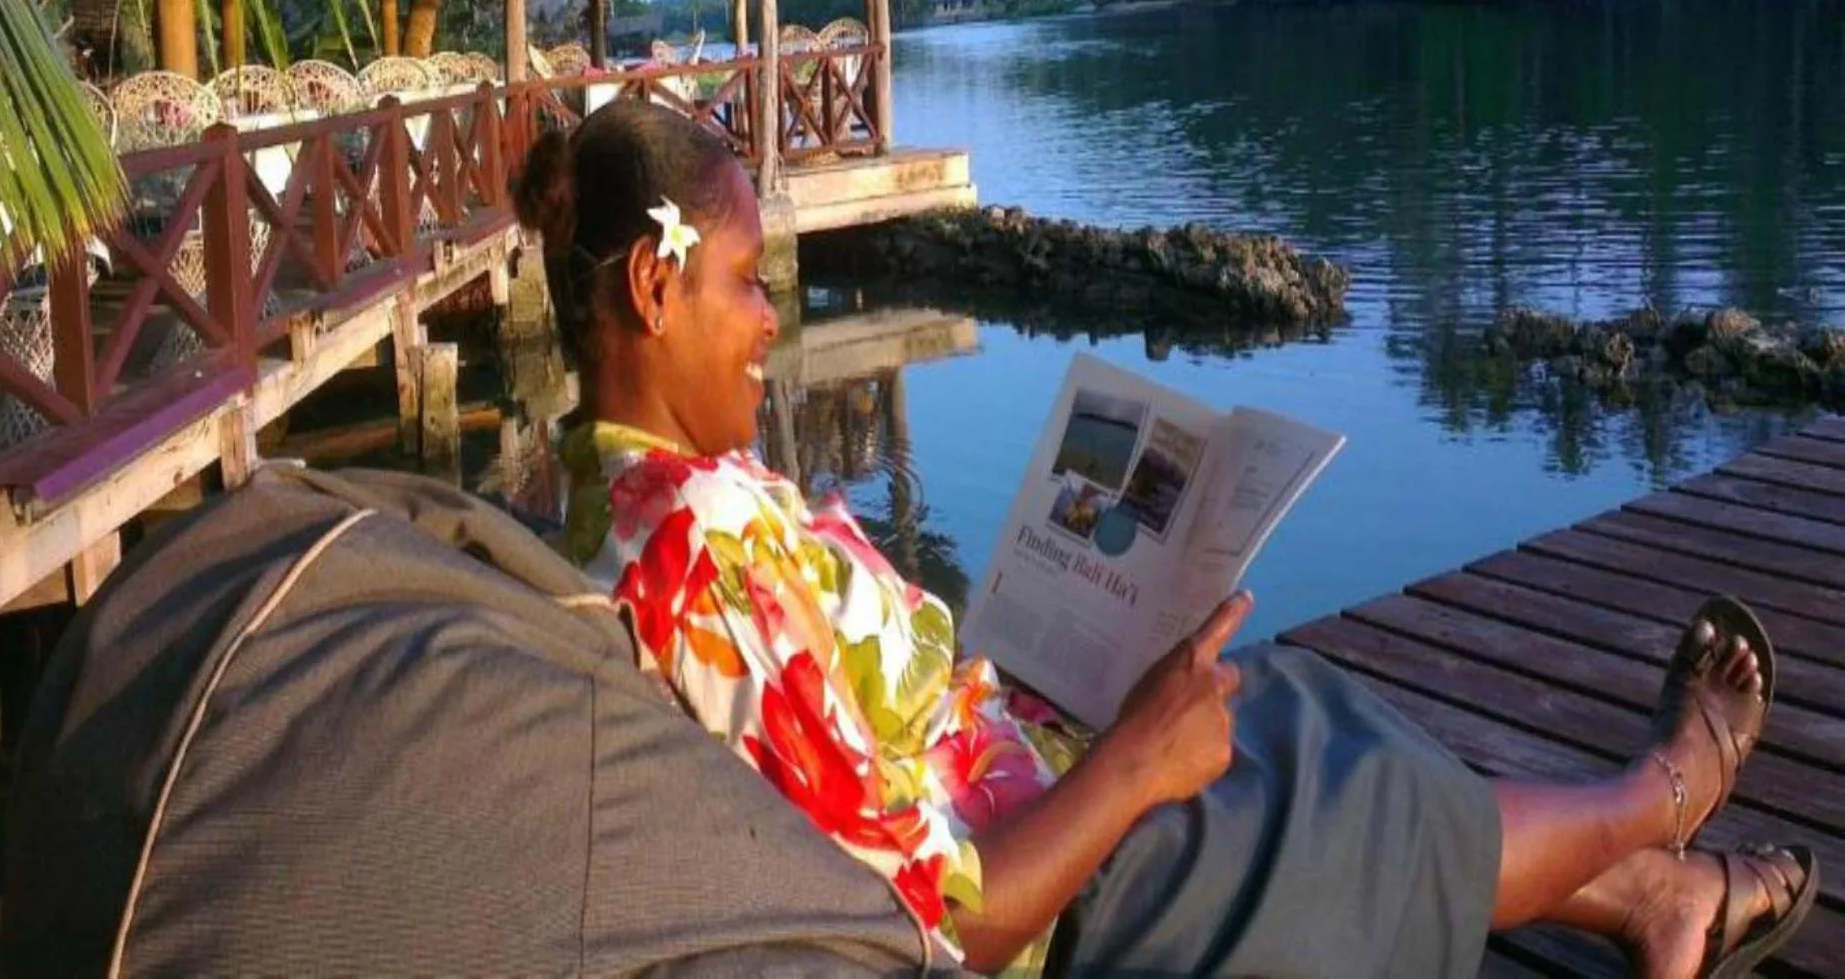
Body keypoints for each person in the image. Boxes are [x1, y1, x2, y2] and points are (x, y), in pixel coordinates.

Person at [513, 100, 1818, 978]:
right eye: (748, 281)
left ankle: (1661, 897)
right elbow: (939, 929)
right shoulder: (694, 559)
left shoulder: (649, 500)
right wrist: (1130, 765)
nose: (763, 322)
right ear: (651, 286)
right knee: (1370, 798)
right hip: (1072, 907)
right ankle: (1668, 796)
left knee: (1298, 706)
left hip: (1021, 776)